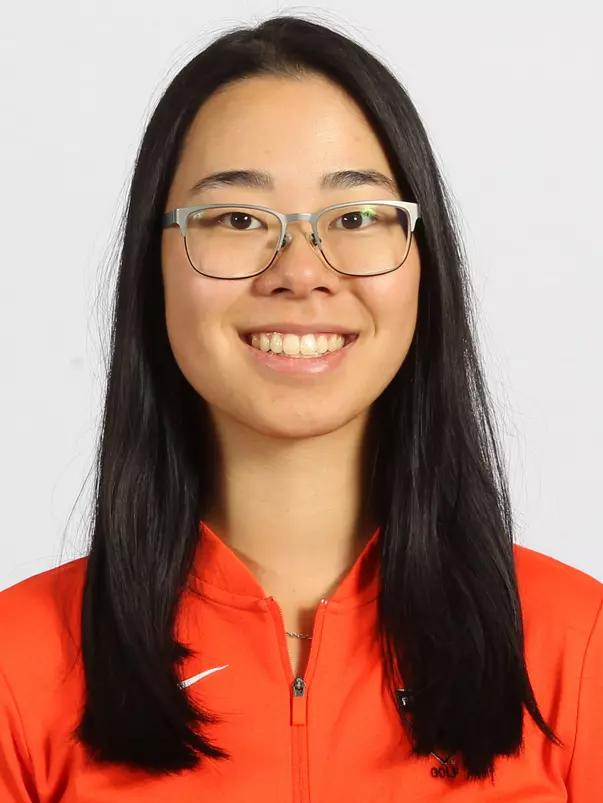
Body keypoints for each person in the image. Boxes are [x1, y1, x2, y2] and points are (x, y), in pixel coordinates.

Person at [0, 14, 601, 802]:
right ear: (155, 270)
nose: (300, 271)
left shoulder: (576, 647)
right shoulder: (18, 666)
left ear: (425, 265)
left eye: (354, 218)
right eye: (236, 219)